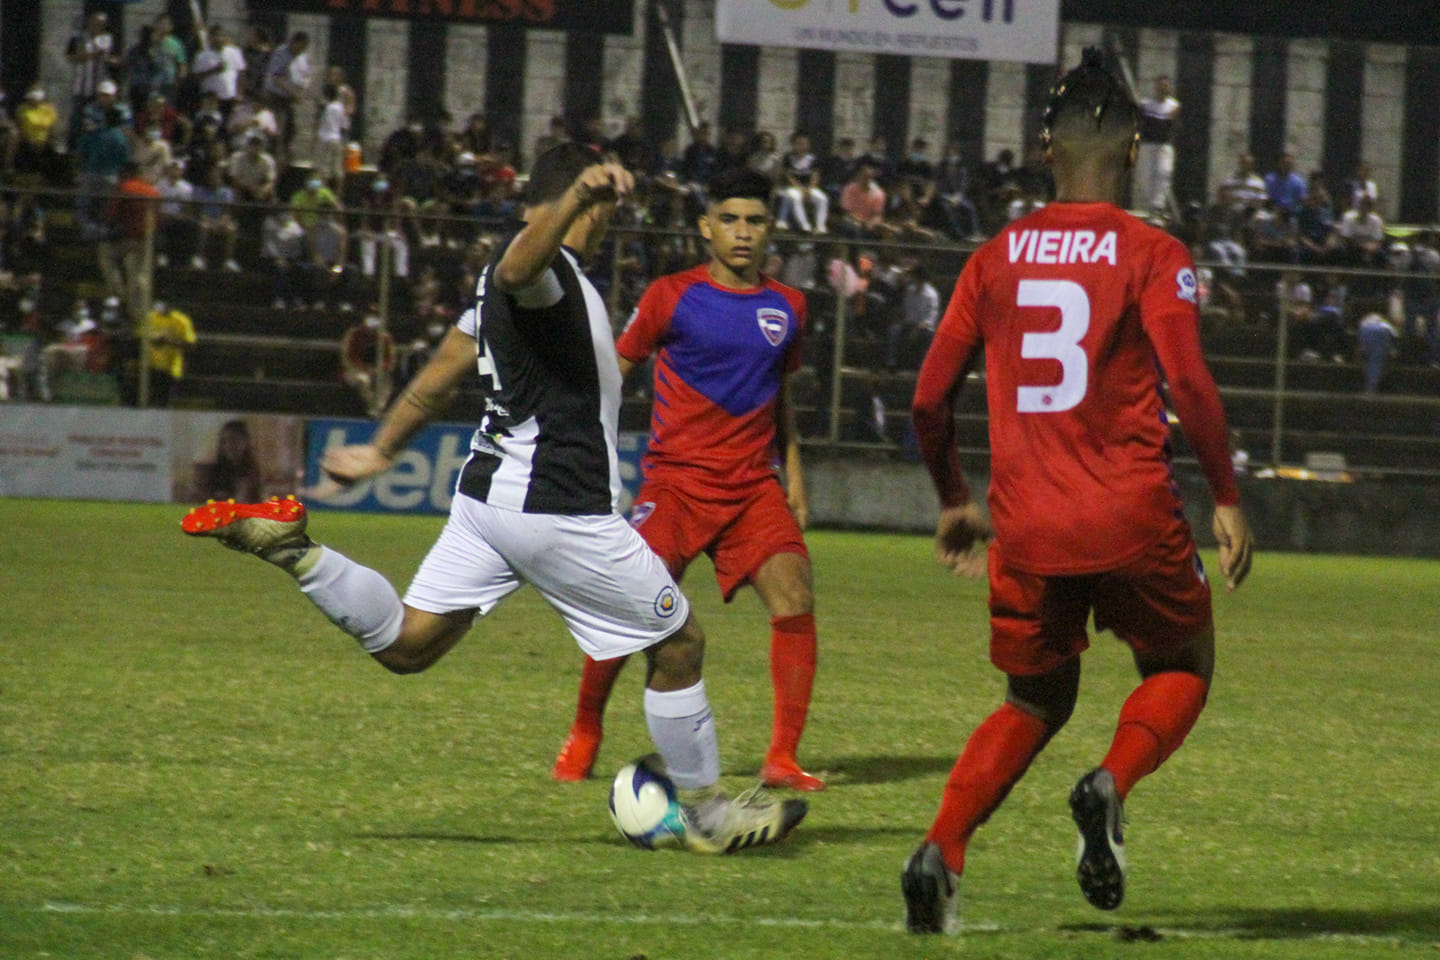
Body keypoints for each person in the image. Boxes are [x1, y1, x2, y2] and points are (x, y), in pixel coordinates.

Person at [179, 144, 807, 855]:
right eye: (599, 207)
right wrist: (573, 200)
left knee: (408, 645)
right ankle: (708, 813)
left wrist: (383, 449)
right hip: (556, 508)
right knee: (680, 645)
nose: (605, 220)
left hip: (488, 504)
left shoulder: (513, 288)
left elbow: (441, 374)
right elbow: (519, 266)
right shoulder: (543, 276)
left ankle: (300, 554)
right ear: (570, 203)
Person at [901, 49, 1254, 935]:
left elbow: (927, 398)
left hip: (1027, 531)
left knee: (1033, 700)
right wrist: (1226, 496)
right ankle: (1111, 784)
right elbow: (1192, 383)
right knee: (1182, 665)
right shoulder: (1153, 252)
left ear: (1044, 148)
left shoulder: (993, 260)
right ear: (1135, 151)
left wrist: (953, 496)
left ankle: (940, 850)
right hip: (1133, 519)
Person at [551, 167, 825, 792]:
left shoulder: (789, 306)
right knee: (627, 604)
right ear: (707, 228)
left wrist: (796, 475)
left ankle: (782, 757)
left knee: (796, 598)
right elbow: (617, 371)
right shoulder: (671, 295)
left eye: (755, 221)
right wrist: (590, 446)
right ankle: (585, 731)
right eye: (729, 219)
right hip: (674, 483)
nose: (743, 232)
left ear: (771, 229)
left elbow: (780, 395)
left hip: (753, 486)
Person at [1134, 76, 1179, 213]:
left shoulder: (1173, 106)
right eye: (1160, 86)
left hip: (1163, 144)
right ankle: (1147, 203)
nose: (1162, 89)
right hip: (1148, 144)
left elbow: (1170, 122)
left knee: (1163, 173)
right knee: (1146, 174)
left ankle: (1157, 205)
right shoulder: (1147, 104)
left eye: (1165, 86)